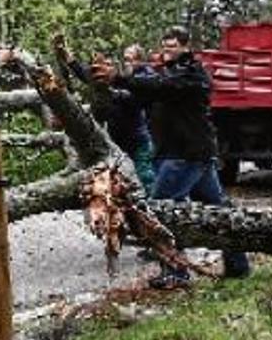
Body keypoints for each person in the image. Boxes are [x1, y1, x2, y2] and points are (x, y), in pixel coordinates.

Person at [92, 25, 251, 288]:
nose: (168, 50)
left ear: (186, 46)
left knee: (160, 212)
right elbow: (142, 94)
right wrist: (86, 72)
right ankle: (238, 264)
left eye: (173, 46)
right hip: (188, 155)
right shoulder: (167, 73)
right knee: (220, 210)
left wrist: (119, 77)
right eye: (165, 46)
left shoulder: (192, 74)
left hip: (185, 155)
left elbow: (162, 86)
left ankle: (176, 272)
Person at [53, 37, 156, 192]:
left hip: (138, 144)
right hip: (117, 143)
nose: (126, 63)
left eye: (129, 60)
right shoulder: (117, 79)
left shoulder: (140, 80)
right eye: (125, 59)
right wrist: (67, 56)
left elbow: (128, 97)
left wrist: (106, 89)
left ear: (139, 61)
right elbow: (83, 73)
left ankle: (155, 210)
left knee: (145, 179)